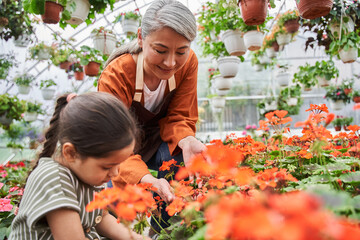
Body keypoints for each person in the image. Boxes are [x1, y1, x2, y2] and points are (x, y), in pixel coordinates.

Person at [98, 0, 206, 235]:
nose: (171, 62)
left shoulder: (188, 65)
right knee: (119, 217)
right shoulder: (117, 74)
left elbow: (181, 116)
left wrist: (187, 140)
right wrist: (146, 178)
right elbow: (113, 142)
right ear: (140, 37)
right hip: (121, 152)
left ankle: (163, 231)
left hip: (160, 146)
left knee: (178, 163)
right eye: (160, 50)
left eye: (181, 51)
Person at [9, 92, 148, 240]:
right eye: (107, 166)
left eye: (119, 163)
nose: (115, 173)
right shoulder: (54, 179)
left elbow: (102, 218)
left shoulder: (89, 174)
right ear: (70, 153)